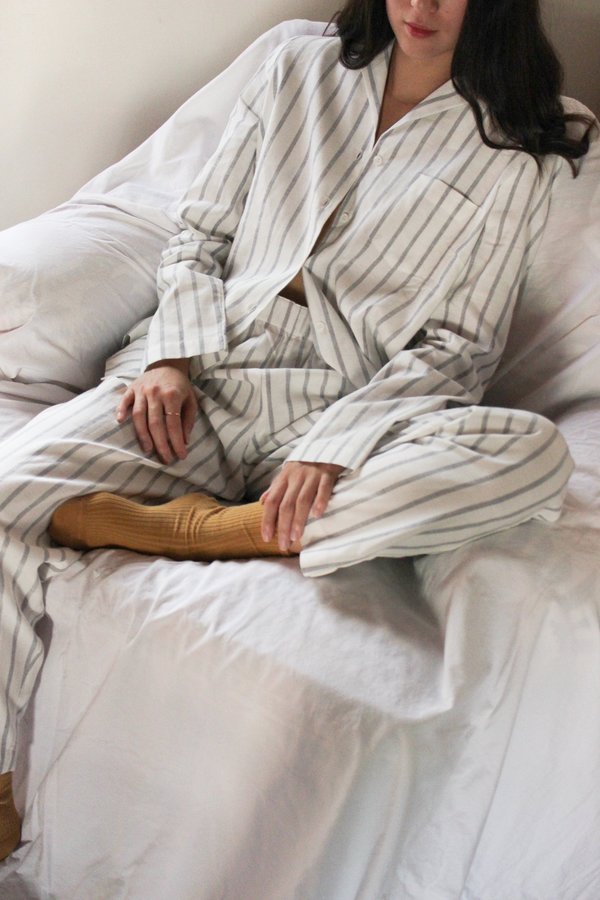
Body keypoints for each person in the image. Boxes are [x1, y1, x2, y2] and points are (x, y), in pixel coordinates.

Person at [0, 0, 593, 862]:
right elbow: (198, 233)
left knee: (531, 456)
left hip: (351, 404)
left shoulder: (524, 141)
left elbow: (458, 349)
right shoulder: (297, 67)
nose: (421, 6)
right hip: (206, 371)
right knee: (7, 492)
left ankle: (211, 530)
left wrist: (333, 445)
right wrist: (169, 358)